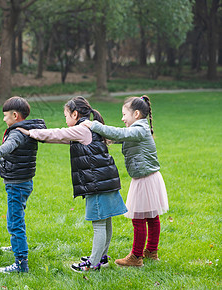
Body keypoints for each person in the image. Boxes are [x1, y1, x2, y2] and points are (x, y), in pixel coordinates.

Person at [17, 96, 127, 272]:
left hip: (97, 184)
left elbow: (59, 133)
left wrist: (32, 133)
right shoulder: (88, 127)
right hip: (105, 180)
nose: (65, 119)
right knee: (106, 222)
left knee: (99, 224)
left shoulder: (82, 129)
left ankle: (93, 263)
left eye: (66, 115)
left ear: (75, 114)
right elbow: (61, 138)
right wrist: (40, 137)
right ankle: (101, 258)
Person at [82, 95, 168, 267]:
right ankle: (151, 251)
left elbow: (121, 133)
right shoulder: (139, 129)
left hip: (145, 178)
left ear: (136, 114)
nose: (122, 118)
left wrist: (94, 125)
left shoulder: (139, 129)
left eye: (124, 114)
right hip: (149, 177)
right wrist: (104, 138)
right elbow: (119, 137)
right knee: (151, 217)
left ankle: (136, 257)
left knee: (139, 218)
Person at [0, 96, 46, 273]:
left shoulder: (17, 132)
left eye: (5, 116)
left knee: (14, 222)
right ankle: (16, 245)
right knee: (16, 216)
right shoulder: (26, 129)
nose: (4, 119)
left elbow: (9, 146)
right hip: (24, 181)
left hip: (17, 184)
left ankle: (20, 263)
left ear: (15, 115)